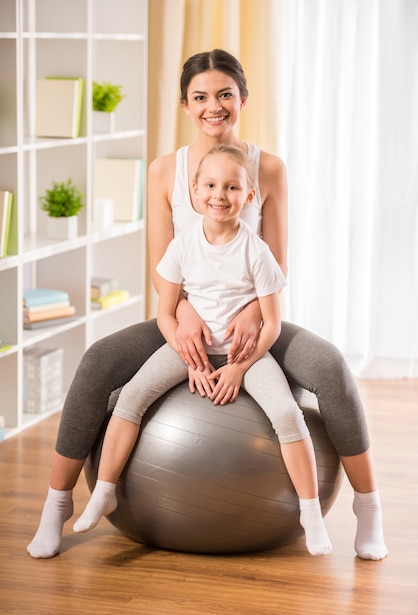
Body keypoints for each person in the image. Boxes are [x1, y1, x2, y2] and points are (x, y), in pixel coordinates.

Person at [27, 49, 387, 561]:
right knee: (98, 361)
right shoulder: (163, 171)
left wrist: (251, 317)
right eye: (200, 97)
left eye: (224, 94)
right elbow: (162, 266)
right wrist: (182, 315)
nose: (212, 106)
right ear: (185, 104)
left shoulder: (271, 169)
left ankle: (368, 510)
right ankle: (57, 505)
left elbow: (277, 261)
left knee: (329, 366)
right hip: (183, 315)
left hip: (254, 317)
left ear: (242, 98)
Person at [72, 145, 332, 556]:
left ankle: (310, 513)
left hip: (244, 353)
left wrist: (238, 367)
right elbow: (165, 314)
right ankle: (104, 492)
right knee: (132, 397)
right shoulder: (183, 245)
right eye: (210, 185)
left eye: (232, 187)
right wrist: (188, 356)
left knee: (286, 412)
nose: (219, 195)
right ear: (194, 193)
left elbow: (272, 324)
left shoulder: (256, 251)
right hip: (188, 348)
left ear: (248, 197)